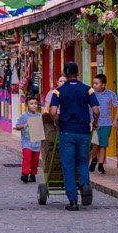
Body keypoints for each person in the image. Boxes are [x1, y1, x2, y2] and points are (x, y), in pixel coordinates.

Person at [48, 61, 96, 211]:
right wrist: (95, 123)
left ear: (65, 74)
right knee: (82, 161)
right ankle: (85, 183)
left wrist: (58, 122)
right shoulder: (88, 90)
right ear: (78, 73)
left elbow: (53, 112)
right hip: (83, 132)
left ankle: (73, 200)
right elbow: (96, 110)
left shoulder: (58, 91)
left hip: (66, 132)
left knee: (68, 166)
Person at [89, 72, 118, 173]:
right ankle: (94, 159)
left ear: (103, 85)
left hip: (106, 123)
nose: (94, 85)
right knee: (95, 144)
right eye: (93, 83)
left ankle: (101, 165)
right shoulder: (91, 93)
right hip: (94, 123)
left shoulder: (111, 94)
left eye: (96, 83)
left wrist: (115, 120)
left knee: (103, 145)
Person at [18, 97, 42, 183]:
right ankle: (25, 174)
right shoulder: (23, 116)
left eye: (35, 103)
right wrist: (23, 126)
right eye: (31, 104)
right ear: (27, 105)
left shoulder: (40, 116)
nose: (34, 105)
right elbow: (17, 126)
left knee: (35, 161)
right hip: (26, 142)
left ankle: (33, 174)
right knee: (27, 158)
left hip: (36, 142)